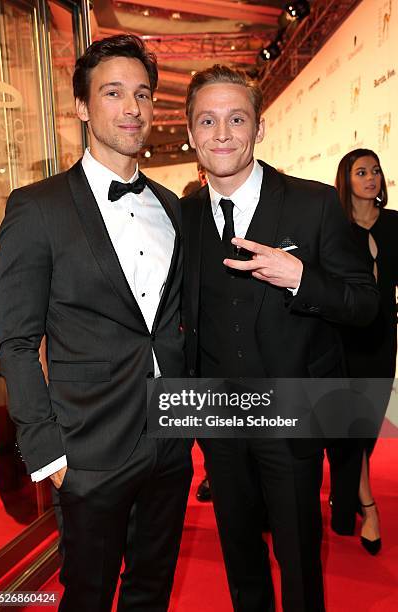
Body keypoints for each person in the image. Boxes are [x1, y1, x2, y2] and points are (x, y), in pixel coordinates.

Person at [0, 35, 193, 612]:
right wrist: (48, 454)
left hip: (171, 440)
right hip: (87, 451)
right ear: (83, 107)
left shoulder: (172, 206)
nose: (132, 108)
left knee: (150, 592)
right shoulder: (38, 207)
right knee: (87, 595)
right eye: (113, 93)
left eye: (142, 94)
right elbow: (15, 339)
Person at [181, 65, 379, 612]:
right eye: (208, 120)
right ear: (192, 133)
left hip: (292, 415)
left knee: (298, 560)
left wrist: (300, 279)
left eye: (237, 118)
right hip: (218, 419)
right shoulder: (186, 214)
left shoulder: (313, 204)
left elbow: (365, 303)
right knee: (240, 560)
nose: (222, 133)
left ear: (259, 128)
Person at [327, 149, 398, 554]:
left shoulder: (395, 224)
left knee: (367, 426)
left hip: (381, 339)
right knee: (349, 427)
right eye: (361, 172)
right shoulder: (336, 227)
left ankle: (348, 492)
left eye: (375, 170)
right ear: (347, 180)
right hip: (342, 338)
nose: (371, 178)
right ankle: (367, 506)